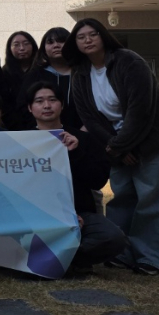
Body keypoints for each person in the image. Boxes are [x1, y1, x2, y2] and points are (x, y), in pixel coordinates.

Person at [64, 18, 159, 275]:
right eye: (81, 37)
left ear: (103, 36)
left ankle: (152, 257)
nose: (87, 40)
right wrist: (117, 148)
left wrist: (120, 146)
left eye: (93, 34)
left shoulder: (129, 61)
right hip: (117, 145)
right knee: (122, 198)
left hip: (152, 140)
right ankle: (121, 253)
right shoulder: (80, 72)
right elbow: (90, 118)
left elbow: (141, 110)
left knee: (152, 199)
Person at [26, 81, 129, 273]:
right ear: (30, 108)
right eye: (39, 101)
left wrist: (76, 152)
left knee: (113, 238)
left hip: (79, 213)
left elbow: (97, 180)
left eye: (52, 100)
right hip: (34, 215)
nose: (47, 105)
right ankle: (58, 260)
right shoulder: (20, 141)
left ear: (62, 105)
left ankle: (64, 260)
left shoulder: (83, 139)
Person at [21, 27, 81, 131]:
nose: (56, 45)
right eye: (50, 42)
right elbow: (23, 106)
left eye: (61, 41)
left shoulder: (83, 73)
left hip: (83, 132)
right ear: (44, 48)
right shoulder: (35, 75)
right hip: (42, 134)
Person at [0, 31, 39, 131]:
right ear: (10, 49)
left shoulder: (42, 70)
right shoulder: (4, 72)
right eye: (16, 45)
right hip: (10, 125)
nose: (22, 48)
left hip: (39, 123)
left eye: (26, 44)